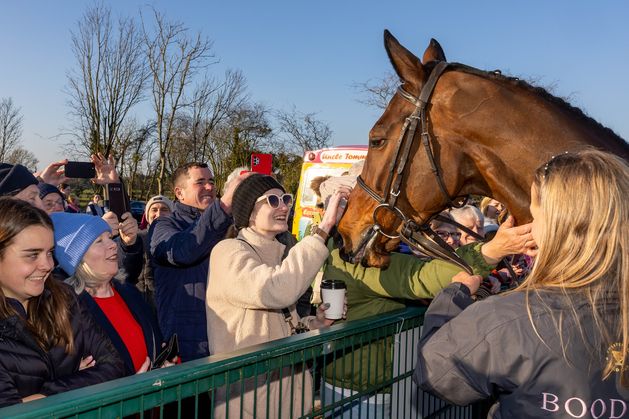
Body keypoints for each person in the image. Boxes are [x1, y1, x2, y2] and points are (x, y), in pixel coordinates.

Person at [414, 149, 628, 417]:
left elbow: (438, 373)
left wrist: (450, 299)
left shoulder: (509, 317)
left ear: (556, 226)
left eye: (536, 217)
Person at [316, 173, 533, 417]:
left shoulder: (378, 246)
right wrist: (494, 249)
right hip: (359, 388)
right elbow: (421, 276)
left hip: (379, 380)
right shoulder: (353, 255)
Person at [206, 174, 348, 418]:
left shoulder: (277, 256)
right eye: (272, 200)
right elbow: (276, 290)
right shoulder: (227, 252)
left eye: (285, 199)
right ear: (249, 211)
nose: (283, 206)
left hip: (288, 395)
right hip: (249, 400)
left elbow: (285, 326)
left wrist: (317, 323)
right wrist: (323, 228)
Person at [0, 198, 124, 407]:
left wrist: (49, 394)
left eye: (49, 253)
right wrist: (81, 381)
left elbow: (113, 366)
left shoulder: (64, 297)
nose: (47, 265)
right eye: (32, 255)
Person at [51, 212, 169, 375]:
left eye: (109, 237)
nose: (113, 245)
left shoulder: (129, 292)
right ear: (79, 260)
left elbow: (156, 343)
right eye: (99, 241)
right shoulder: (68, 310)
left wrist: (164, 361)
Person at [150, 162, 244, 362]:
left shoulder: (228, 224)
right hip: (188, 346)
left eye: (211, 181)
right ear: (179, 193)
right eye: (200, 182)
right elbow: (183, 252)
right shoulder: (164, 225)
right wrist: (224, 206)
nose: (209, 187)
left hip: (225, 338)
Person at [135, 195, 174, 310]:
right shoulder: (137, 238)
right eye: (154, 210)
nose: (159, 214)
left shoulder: (177, 239)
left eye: (164, 209)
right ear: (147, 215)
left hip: (168, 303)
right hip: (140, 302)